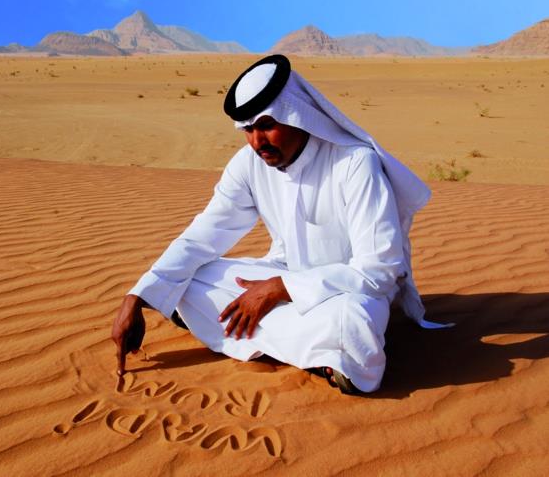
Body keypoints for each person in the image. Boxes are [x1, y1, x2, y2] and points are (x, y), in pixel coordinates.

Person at [112, 54, 448, 394]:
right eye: (248, 130)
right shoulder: (248, 164)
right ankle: (315, 353)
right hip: (281, 273)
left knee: (352, 323)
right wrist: (136, 297)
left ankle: (249, 333)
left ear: (298, 116)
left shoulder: (354, 163)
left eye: (267, 125)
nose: (258, 141)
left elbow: (378, 271)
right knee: (189, 277)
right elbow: (204, 233)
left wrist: (279, 289)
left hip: (347, 289)